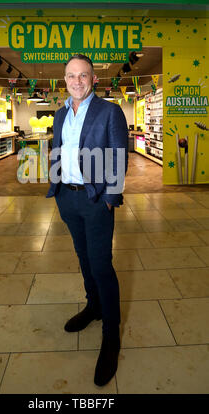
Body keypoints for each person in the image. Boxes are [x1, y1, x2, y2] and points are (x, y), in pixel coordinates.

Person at [46, 54, 128, 386]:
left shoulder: (109, 111)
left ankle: (111, 334)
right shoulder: (60, 113)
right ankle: (93, 306)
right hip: (68, 198)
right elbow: (56, 150)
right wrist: (57, 187)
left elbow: (119, 158)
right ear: (63, 79)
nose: (76, 81)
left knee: (101, 264)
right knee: (83, 259)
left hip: (96, 201)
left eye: (83, 75)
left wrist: (109, 200)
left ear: (93, 79)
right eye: (70, 75)